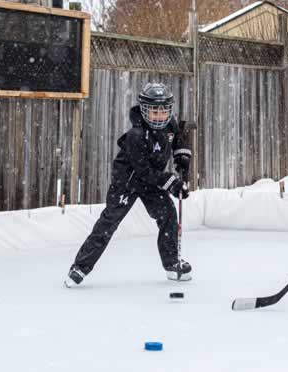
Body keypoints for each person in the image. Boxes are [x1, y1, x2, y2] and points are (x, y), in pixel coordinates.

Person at [64, 82, 193, 287]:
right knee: (109, 223)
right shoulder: (136, 135)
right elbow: (143, 171)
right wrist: (170, 182)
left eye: (164, 110)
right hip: (128, 181)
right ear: (144, 110)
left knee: (168, 214)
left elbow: (178, 141)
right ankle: (80, 267)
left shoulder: (170, 124)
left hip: (152, 182)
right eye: (154, 111)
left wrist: (182, 160)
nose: (159, 115)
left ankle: (171, 263)